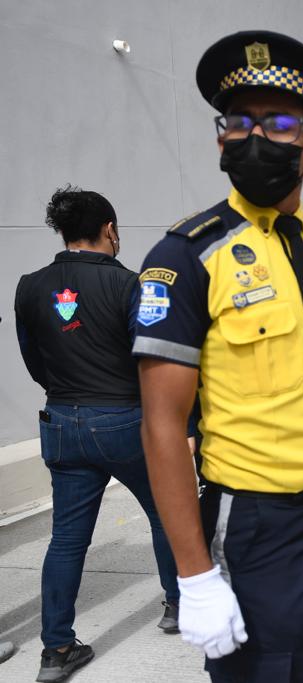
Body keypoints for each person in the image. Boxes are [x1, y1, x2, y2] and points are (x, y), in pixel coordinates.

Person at [132, 31, 303, 682]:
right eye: (238, 121)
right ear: (221, 137)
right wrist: (195, 574)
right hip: (258, 523)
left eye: (281, 122)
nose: (255, 137)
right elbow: (161, 423)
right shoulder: (188, 256)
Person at [15, 186, 180, 682]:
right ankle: (177, 607)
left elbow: (33, 360)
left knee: (66, 538)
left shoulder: (29, 285)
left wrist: (68, 393)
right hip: (127, 420)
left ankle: (57, 648)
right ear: (109, 229)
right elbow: (154, 360)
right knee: (166, 512)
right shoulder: (134, 285)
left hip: (63, 421)